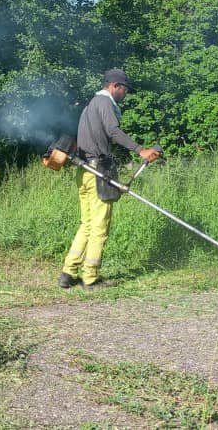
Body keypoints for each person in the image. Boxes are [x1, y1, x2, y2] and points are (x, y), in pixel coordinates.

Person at [59, 68, 160, 290]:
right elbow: (113, 132)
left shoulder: (89, 105)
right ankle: (90, 278)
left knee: (86, 224)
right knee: (99, 226)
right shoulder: (104, 103)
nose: (125, 94)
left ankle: (68, 272)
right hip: (97, 172)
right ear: (115, 86)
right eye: (124, 89)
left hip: (84, 171)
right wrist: (140, 149)